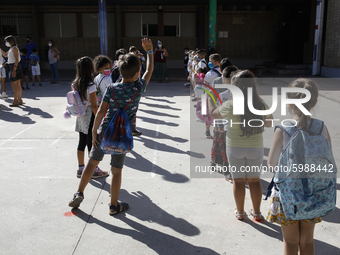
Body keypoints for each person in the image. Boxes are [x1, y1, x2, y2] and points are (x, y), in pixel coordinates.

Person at [68, 38, 154, 216]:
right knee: (116, 171)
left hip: (104, 132)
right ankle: (114, 205)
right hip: (122, 136)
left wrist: (94, 131)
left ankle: (79, 192)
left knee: (92, 162)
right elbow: (149, 71)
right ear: (137, 72)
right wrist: (150, 52)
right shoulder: (138, 88)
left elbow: (100, 111)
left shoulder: (112, 88)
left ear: (118, 71)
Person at [266, 78, 333, 255]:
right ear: (315, 102)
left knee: (290, 241)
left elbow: (272, 164)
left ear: (289, 102)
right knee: (307, 240)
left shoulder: (283, 129)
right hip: (313, 194)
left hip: (288, 196)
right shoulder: (321, 128)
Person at [208, 70, 273, 221]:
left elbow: (214, 114)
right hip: (255, 147)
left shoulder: (230, 104)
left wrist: (210, 98)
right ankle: (256, 213)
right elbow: (269, 123)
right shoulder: (261, 104)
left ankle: (240, 212)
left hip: (234, 147)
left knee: (238, 181)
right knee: (254, 181)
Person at [72, 56, 109, 179]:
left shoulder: (76, 83)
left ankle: (80, 168)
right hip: (90, 117)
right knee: (91, 144)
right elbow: (94, 105)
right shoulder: (91, 85)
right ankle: (93, 169)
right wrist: (100, 117)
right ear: (90, 69)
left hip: (80, 116)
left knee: (81, 142)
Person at [0, 35, 23, 107]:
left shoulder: (15, 48)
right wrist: (0, 49)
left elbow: (16, 60)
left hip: (14, 66)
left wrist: (14, 70)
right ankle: (19, 100)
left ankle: (16, 101)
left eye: (7, 41)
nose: (6, 43)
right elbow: (5, 55)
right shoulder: (11, 49)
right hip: (12, 66)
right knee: (17, 84)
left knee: (15, 85)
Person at [194, 68, 214, 139]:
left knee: (207, 115)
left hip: (208, 95)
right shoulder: (214, 74)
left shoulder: (208, 74)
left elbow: (204, 84)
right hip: (211, 96)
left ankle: (208, 131)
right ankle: (211, 132)